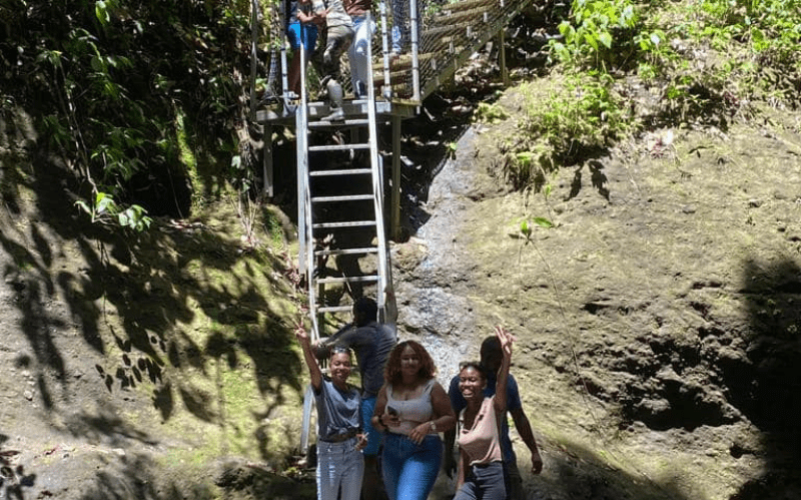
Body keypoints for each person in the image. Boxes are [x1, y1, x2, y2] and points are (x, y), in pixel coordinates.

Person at [315, 297, 396, 500]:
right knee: (390, 457)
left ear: (359, 315)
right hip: (396, 399)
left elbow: (325, 351)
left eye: (355, 314)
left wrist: (320, 343)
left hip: (374, 399)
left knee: (367, 460)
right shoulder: (389, 331)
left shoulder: (358, 334)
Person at [445, 334, 543, 500]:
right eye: (494, 358)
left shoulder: (506, 384)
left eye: (500, 359)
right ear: (484, 356)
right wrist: (447, 454)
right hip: (471, 460)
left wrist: (534, 451)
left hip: (502, 458)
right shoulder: (463, 384)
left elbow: (519, 417)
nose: (497, 362)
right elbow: (451, 419)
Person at [371, 340, 456, 500]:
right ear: (398, 362)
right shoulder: (387, 388)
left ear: (422, 361)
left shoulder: (432, 387)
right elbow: (375, 421)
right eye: (406, 358)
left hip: (423, 449)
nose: (410, 362)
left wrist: (429, 426)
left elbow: (450, 419)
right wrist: (383, 420)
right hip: (391, 449)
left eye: (415, 358)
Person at [296, 324, 367, 500]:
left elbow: (359, 428)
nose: (341, 368)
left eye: (346, 364)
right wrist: (305, 344)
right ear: (330, 366)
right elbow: (313, 369)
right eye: (337, 364)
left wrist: (362, 438)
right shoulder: (324, 387)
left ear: (350, 368)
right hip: (329, 453)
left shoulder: (355, 394)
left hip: (354, 453)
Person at [451, 326, 517, 500]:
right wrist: (460, 487)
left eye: (472, 380)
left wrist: (507, 357)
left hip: (494, 476)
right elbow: (465, 453)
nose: (466, 384)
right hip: (472, 477)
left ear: (483, 384)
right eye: (463, 380)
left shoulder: (493, 406)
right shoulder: (463, 414)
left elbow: (501, 385)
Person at [318, 0, 354, 121]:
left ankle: (337, 110)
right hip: (348, 29)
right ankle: (333, 95)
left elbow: (320, 14)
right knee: (334, 63)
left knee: (330, 73)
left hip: (335, 30)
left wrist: (308, 19)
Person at [286, 0, 326, 96]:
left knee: (306, 56)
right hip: (295, 21)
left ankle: (298, 90)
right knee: (300, 53)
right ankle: (290, 89)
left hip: (312, 24)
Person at [344, 0, 375, 98]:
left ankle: (363, 84)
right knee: (352, 56)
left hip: (364, 20)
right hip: (348, 22)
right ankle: (357, 90)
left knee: (360, 50)